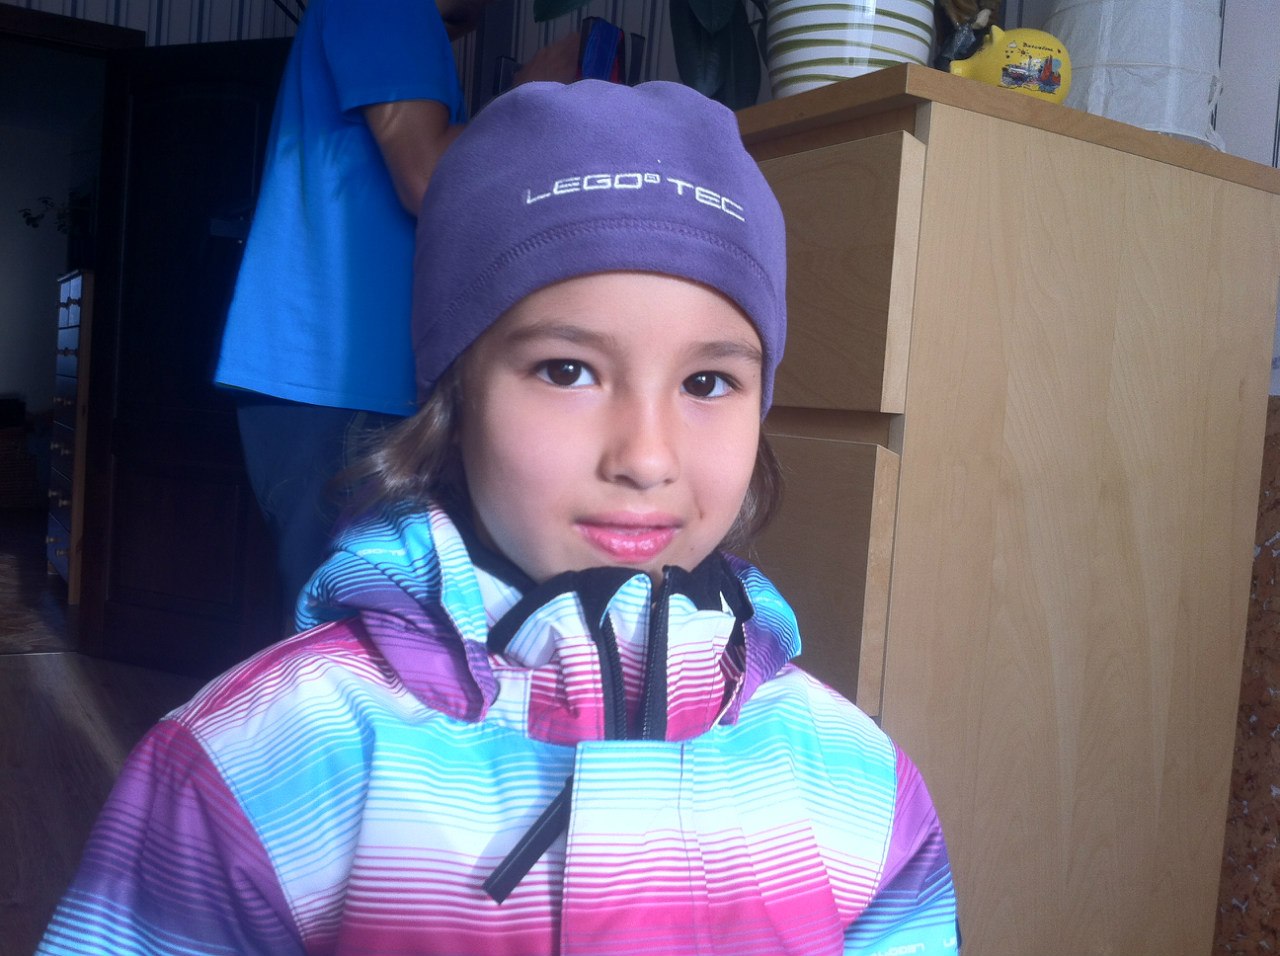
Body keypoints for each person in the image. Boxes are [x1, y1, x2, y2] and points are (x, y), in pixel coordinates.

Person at [38, 80, 960, 955]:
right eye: (568, 370)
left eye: (708, 382)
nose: (647, 458)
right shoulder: (263, 760)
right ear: (454, 400)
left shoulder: (860, 786)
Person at [214, 0, 578, 610]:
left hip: (330, 380)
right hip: (344, 381)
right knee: (360, 620)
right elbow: (427, 176)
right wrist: (531, 97)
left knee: (362, 610)